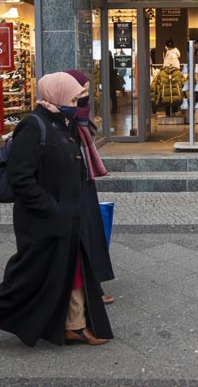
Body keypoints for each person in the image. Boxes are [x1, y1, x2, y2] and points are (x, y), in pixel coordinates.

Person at [0, 72, 112, 348]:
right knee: (29, 278)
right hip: (41, 220)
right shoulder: (33, 126)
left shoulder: (63, 121)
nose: (77, 104)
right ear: (56, 96)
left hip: (66, 216)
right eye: (73, 99)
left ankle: (74, 326)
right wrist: (53, 209)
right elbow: (21, 179)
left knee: (66, 274)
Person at [64, 69, 115, 306]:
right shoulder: (61, 117)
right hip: (67, 188)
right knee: (81, 237)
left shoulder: (81, 114)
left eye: (86, 90)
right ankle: (85, 288)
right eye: (80, 90)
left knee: (91, 235)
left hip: (84, 183)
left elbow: (88, 139)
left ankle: (92, 285)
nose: (84, 95)